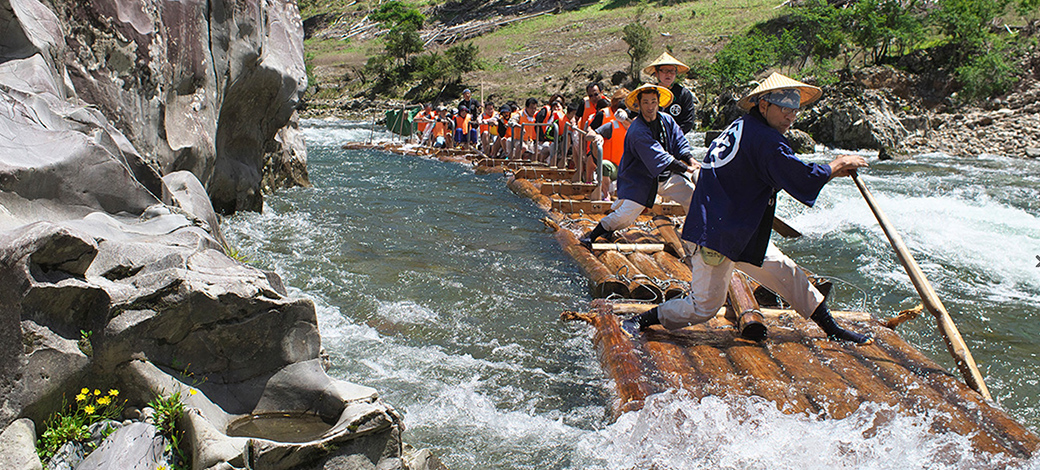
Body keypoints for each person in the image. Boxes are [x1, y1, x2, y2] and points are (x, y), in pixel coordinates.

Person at [620, 72, 872, 345]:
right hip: (716, 231)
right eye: (784, 109)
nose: (791, 117)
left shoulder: (744, 126)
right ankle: (640, 319)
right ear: (763, 105)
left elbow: (772, 172)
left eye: (795, 110)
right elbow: (799, 176)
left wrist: (829, 171)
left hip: (740, 224)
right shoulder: (764, 138)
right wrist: (835, 166)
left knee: (786, 270)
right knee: (704, 307)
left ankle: (832, 328)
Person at [579, 84, 698, 246]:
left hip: (666, 177)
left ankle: (694, 239)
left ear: (658, 103)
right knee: (624, 217)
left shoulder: (668, 120)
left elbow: (679, 142)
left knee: (694, 197)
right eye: (646, 103)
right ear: (639, 105)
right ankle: (594, 234)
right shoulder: (637, 130)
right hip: (641, 181)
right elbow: (658, 156)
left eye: (653, 102)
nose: (650, 107)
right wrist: (686, 168)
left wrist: (690, 158)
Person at [644, 52, 697, 135]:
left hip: (676, 139)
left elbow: (688, 122)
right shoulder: (648, 92)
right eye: (665, 71)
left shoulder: (683, 94)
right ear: (657, 73)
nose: (669, 74)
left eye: (672, 71)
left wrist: (674, 137)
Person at [585, 108, 632, 201]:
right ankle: (606, 195)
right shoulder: (611, 126)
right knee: (604, 165)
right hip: (614, 167)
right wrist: (596, 136)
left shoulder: (639, 129)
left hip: (630, 168)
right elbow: (589, 135)